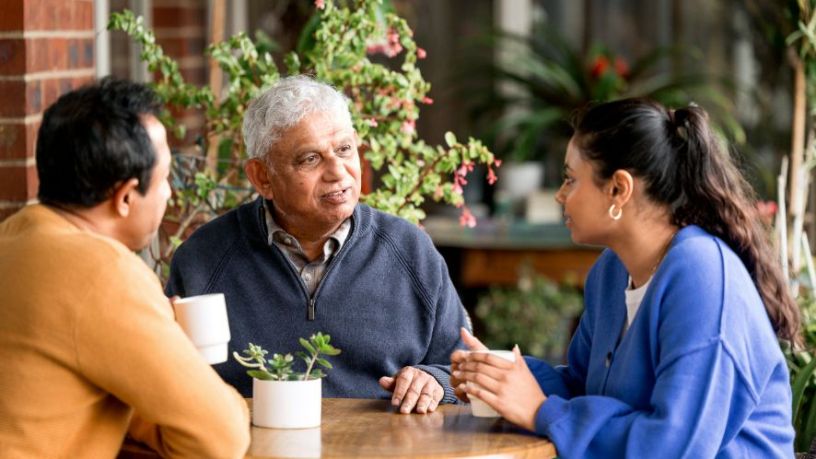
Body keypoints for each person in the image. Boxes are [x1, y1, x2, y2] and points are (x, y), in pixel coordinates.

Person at [451, 98, 799, 458]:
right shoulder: (611, 271)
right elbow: (582, 388)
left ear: (619, 189)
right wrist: (500, 377)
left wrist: (540, 410)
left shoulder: (703, 277)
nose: (560, 195)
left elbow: (675, 448)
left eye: (570, 180)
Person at [166, 75, 468, 414]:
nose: (338, 171)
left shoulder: (410, 250)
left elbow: (465, 368)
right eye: (310, 159)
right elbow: (169, 381)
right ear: (262, 177)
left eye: (344, 149)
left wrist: (435, 381)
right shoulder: (203, 259)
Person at [0, 77, 250, 458]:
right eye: (165, 178)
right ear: (126, 196)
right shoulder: (103, 272)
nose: (170, 193)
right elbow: (221, 437)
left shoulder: (13, 237)